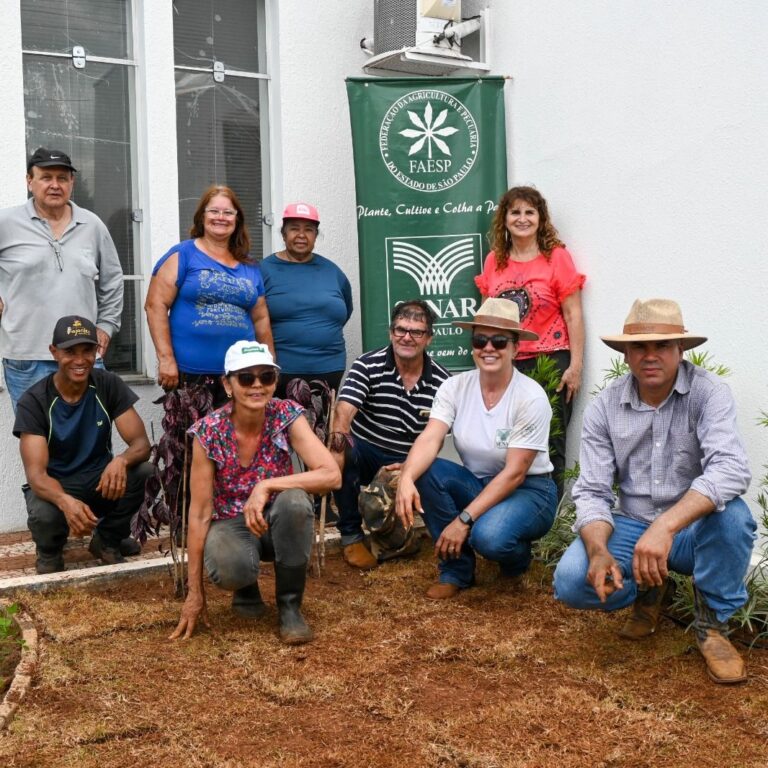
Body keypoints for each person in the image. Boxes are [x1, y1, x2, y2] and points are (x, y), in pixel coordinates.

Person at [553, 299, 756, 684]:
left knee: (734, 518)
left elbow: (730, 470)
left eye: (662, 346)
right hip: (631, 523)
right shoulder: (605, 406)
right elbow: (593, 490)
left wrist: (665, 526)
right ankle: (648, 591)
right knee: (572, 581)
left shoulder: (709, 393)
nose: (650, 356)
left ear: (681, 350)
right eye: (639, 347)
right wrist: (598, 551)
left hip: (693, 527)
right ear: (626, 355)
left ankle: (712, 625)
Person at [170, 341, 341, 645]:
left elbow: (331, 474)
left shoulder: (286, 414)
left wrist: (267, 485)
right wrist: (195, 592)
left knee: (295, 501)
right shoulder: (208, 432)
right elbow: (199, 513)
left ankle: (290, 607)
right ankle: (245, 587)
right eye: (246, 378)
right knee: (228, 563)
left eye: (267, 377)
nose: (257, 385)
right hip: (231, 522)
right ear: (228, 384)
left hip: (278, 519)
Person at [395, 298, 558, 599]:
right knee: (426, 470)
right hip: (479, 483)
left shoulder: (530, 398)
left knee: (490, 538)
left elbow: (514, 474)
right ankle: (456, 571)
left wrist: (463, 520)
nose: (489, 348)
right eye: (480, 340)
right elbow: (431, 437)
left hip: (530, 491)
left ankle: (517, 557)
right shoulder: (455, 387)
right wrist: (406, 477)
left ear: (515, 348)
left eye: (499, 341)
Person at [13, 316, 153, 574]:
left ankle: (107, 541)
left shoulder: (107, 384)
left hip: (99, 480)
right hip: (57, 484)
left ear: (95, 351)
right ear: (54, 352)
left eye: (87, 350)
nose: (80, 360)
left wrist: (120, 461)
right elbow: (36, 475)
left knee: (145, 473)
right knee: (44, 514)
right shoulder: (34, 401)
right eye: (70, 352)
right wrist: (66, 501)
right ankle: (50, 552)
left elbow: (141, 444)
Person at [475, 186, 585, 496]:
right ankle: (508, 507)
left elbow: (574, 314)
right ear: (505, 219)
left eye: (529, 212)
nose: (522, 219)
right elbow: (487, 317)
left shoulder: (557, 258)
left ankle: (547, 523)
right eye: (515, 212)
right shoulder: (494, 261)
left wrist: (575, 366)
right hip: (507, 360)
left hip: (552, 359)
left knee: (551, 440)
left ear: (540, 218)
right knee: (506, 438)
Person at [0, 148, 124, 412]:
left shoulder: (92, 225)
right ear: (29, 181)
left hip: (83, 355)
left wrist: (107, 324)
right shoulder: (6, 223)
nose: (55, 185)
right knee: (36, 441)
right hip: (26, 356)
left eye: (62, 178)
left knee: (89, 438)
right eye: (46, 177)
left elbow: (112, 281)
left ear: (72, 183)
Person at [331, 300, 450, 570]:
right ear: (390, 333)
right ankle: (351, 535)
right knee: (344, 449)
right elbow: (344, 410)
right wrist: (337, 445)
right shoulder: (367, 364)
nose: (406, 337)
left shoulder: (443, 381)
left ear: (429, 338)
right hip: (368, 452)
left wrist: (411, 466)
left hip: (409, 459)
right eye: (400, 330)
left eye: (416, 332)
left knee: (400, 536)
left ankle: (408, 535)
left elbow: (437, 436)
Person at [145, 184, 274, 406]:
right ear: (202, 217)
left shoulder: (250, 266)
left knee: (240, 440)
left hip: (242, 377)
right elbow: (155, 305)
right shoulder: (182, 255)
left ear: (237, 219)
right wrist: (165, 359)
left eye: (228, 212)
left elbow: (261, 319)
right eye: (214, 211)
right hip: (191, 376)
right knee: (191, 439)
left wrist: (268, 365)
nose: (221, 217)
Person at [259, 202, 353, 403]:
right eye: (294, 229)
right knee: (282, 433)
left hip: (329, 369)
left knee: (321, 430)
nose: (301, 235)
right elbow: (254, 318)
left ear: (316, 236)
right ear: (283, 234)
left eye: (309, 230)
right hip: (281, 372)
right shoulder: (263, 271)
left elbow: (345, 310)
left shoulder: (332, 271)